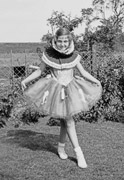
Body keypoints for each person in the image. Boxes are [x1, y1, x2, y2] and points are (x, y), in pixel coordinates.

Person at [21, 27, 102, 169]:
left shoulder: (74, 56)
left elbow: (82, 72)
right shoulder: (49, 55)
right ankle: (79, 153)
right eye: (60, 41)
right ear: (55, 41)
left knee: (66, 122)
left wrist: (96, 81)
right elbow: (40, 71)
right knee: (69, 121)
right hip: (56, 92)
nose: (63, 44)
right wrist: (25, 81)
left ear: (69, 41)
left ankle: (61, 148)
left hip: (71, 90)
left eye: (65, 41)